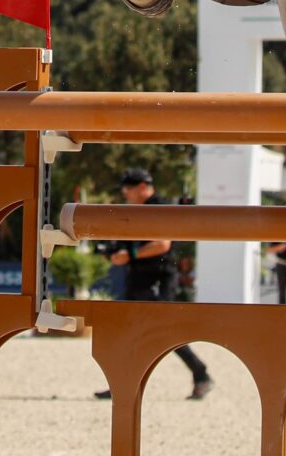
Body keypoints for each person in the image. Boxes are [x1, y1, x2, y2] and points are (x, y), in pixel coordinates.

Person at [94, 168, 213, 401]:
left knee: (166, 333)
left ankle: (201, 374)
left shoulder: (158, 207)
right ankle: (122, 385)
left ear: (142, 187)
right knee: (129, 332)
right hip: (140, 279)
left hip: (157, 280)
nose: (124, 193)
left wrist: (129, 255)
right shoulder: (138, 210)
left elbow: (162, 245)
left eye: (127, 189)